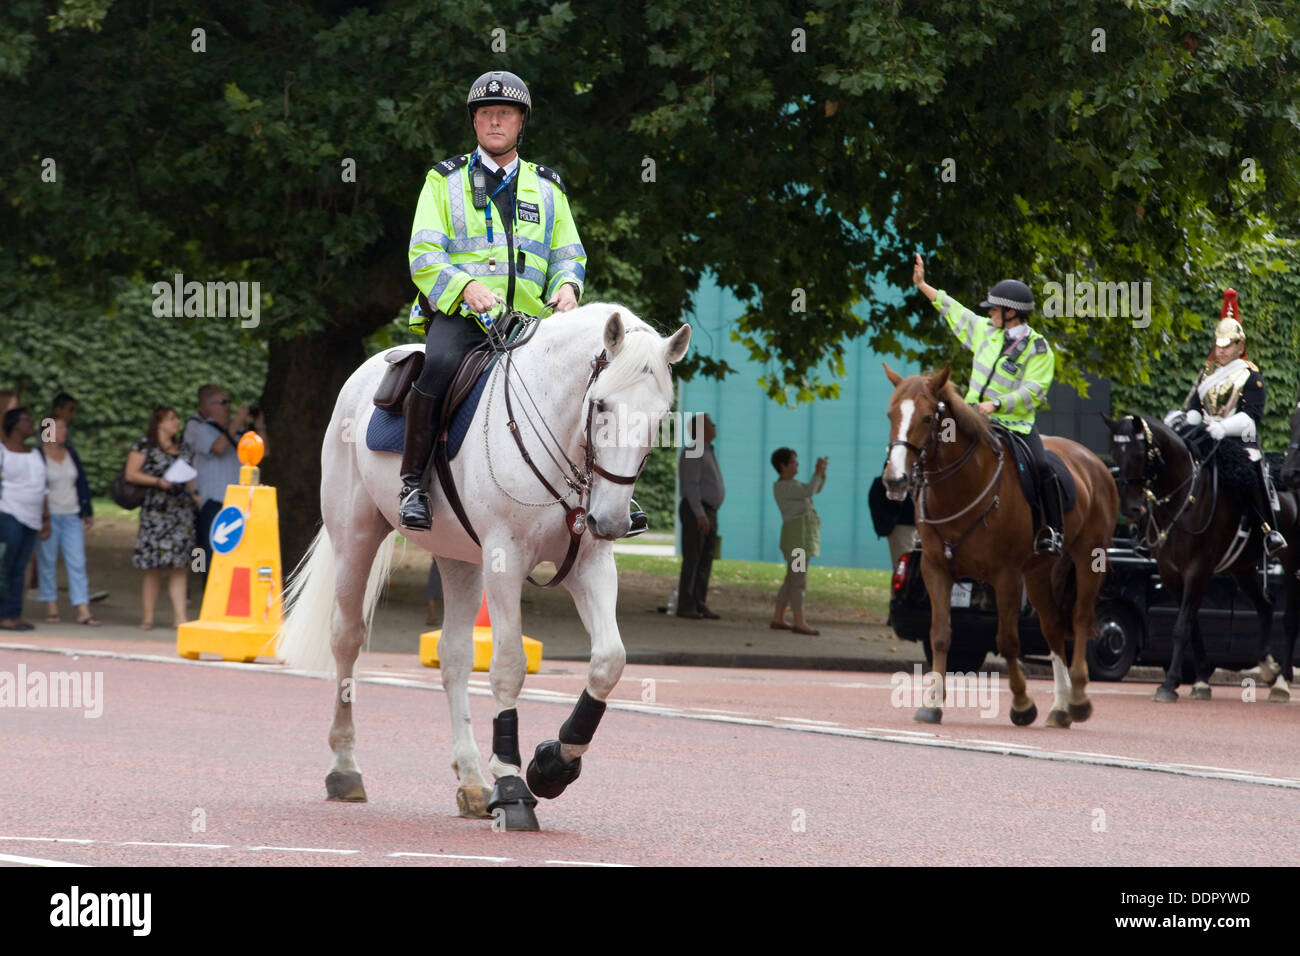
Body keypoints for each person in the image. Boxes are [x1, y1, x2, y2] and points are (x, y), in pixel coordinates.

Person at [398, 70, 588, 531]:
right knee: (438, 365)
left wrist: (567, 287)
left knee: (590, 380)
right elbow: (423, 253)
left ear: (521, 121)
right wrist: (464, 287)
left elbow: (568, 253)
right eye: (486, 113)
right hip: (462, 318)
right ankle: (412, 484)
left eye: (505, 113)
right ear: (475, 121)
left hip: (530, 322)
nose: (495, 121)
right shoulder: (443, 181)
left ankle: (598, 492)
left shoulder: (548, 187)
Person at [911, 253, 1061, 554]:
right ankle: (927, 525)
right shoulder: (985, 331)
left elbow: (1034, 390)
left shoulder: (1039, 349)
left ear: (1012, 312)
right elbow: (954, 310)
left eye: (995, 307)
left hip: (1014, 425)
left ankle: (1051, 531)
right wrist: (923, 285)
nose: (989, 311)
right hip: (972, 418)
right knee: (932, 449)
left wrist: (997, 405)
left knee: (1044, 467)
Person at [1164, 289, 1285, 555]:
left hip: (1237, 439)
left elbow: (1251, 416)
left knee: (1253, 472)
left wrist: (1223, 427)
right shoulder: (1207, 374)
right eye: (1218, 344)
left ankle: (1269, 530)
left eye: (1227, 345)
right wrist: (1186, 420)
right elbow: (1197, 409)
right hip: (1207, 437)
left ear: (1239, 346)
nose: (1220, 350)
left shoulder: (1251, 376)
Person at [184, 384, 267, 583]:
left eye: (229, 402)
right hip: (213, 502)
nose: (228, 407)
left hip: (238, 503)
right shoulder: (201, 429)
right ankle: (206, 593)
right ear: (206, 407)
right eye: (223, 402)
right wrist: (238, 421)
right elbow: (219, 447)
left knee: (237, 554)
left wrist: (260, 426)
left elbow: (264, 453)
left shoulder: (239, 431)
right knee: (209, 554)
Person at [127, 407, 200, 629]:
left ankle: (180, 617)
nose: (176, 422)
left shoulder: (184, 449)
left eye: (177, 418)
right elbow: (131, 473)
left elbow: (189, 477)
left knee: (180, 565)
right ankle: (147, 617)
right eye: (171, 419)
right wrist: (158, 482)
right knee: (153, 567)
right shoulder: (144, 446)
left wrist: (194, 494)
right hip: (156, 513)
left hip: (181, 512)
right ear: (158, 423)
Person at [35, 416, 99, 625]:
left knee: (78, 562)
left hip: (71, 514)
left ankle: (83, 608)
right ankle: (51, 605)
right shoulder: (37, 455)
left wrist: (87, 510)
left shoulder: (71, 453)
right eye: (60, 427)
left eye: (64, 427)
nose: (64, 431)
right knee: (47, 561)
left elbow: (81, 483)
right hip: (49, 516)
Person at [0, 407, 50, 630]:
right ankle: (4, 614)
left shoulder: (36, 453)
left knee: (20, 567)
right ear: (13, 425)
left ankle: (14, 614)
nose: (32, 423)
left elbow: (43, 488)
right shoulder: (2, 452)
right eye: (27, 420)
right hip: (8, 514)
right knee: (5, 566)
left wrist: (45, 518)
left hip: (32, 518)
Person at [770, 448, 828, 635]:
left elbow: (814, 488)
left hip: (799, 537)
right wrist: (818, 473)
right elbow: (809, 490)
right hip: (796, 539)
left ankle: (778, 618)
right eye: (794, 462)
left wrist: (820, 473)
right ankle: (799, 621)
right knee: (798, 581)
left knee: (791, 579)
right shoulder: (785, 487)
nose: (797, 464)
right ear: (783, 465)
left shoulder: (791, 485)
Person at [676, 414, 724, 619]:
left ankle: (698, 602)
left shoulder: (706, 450)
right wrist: (699, 514)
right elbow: (691, 485)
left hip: (708, 510)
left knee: (706, 559)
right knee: (693, 558)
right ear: (701, 429)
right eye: (710, 423)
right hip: (698, 510)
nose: (714, 426)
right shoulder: (695, 450)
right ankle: (686, 604)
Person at [869, 474, 917, 570]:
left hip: (916, 525)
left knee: (911, 565)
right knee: (904, 566)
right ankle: (906, 584)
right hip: (902, 526)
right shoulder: (887, 481)